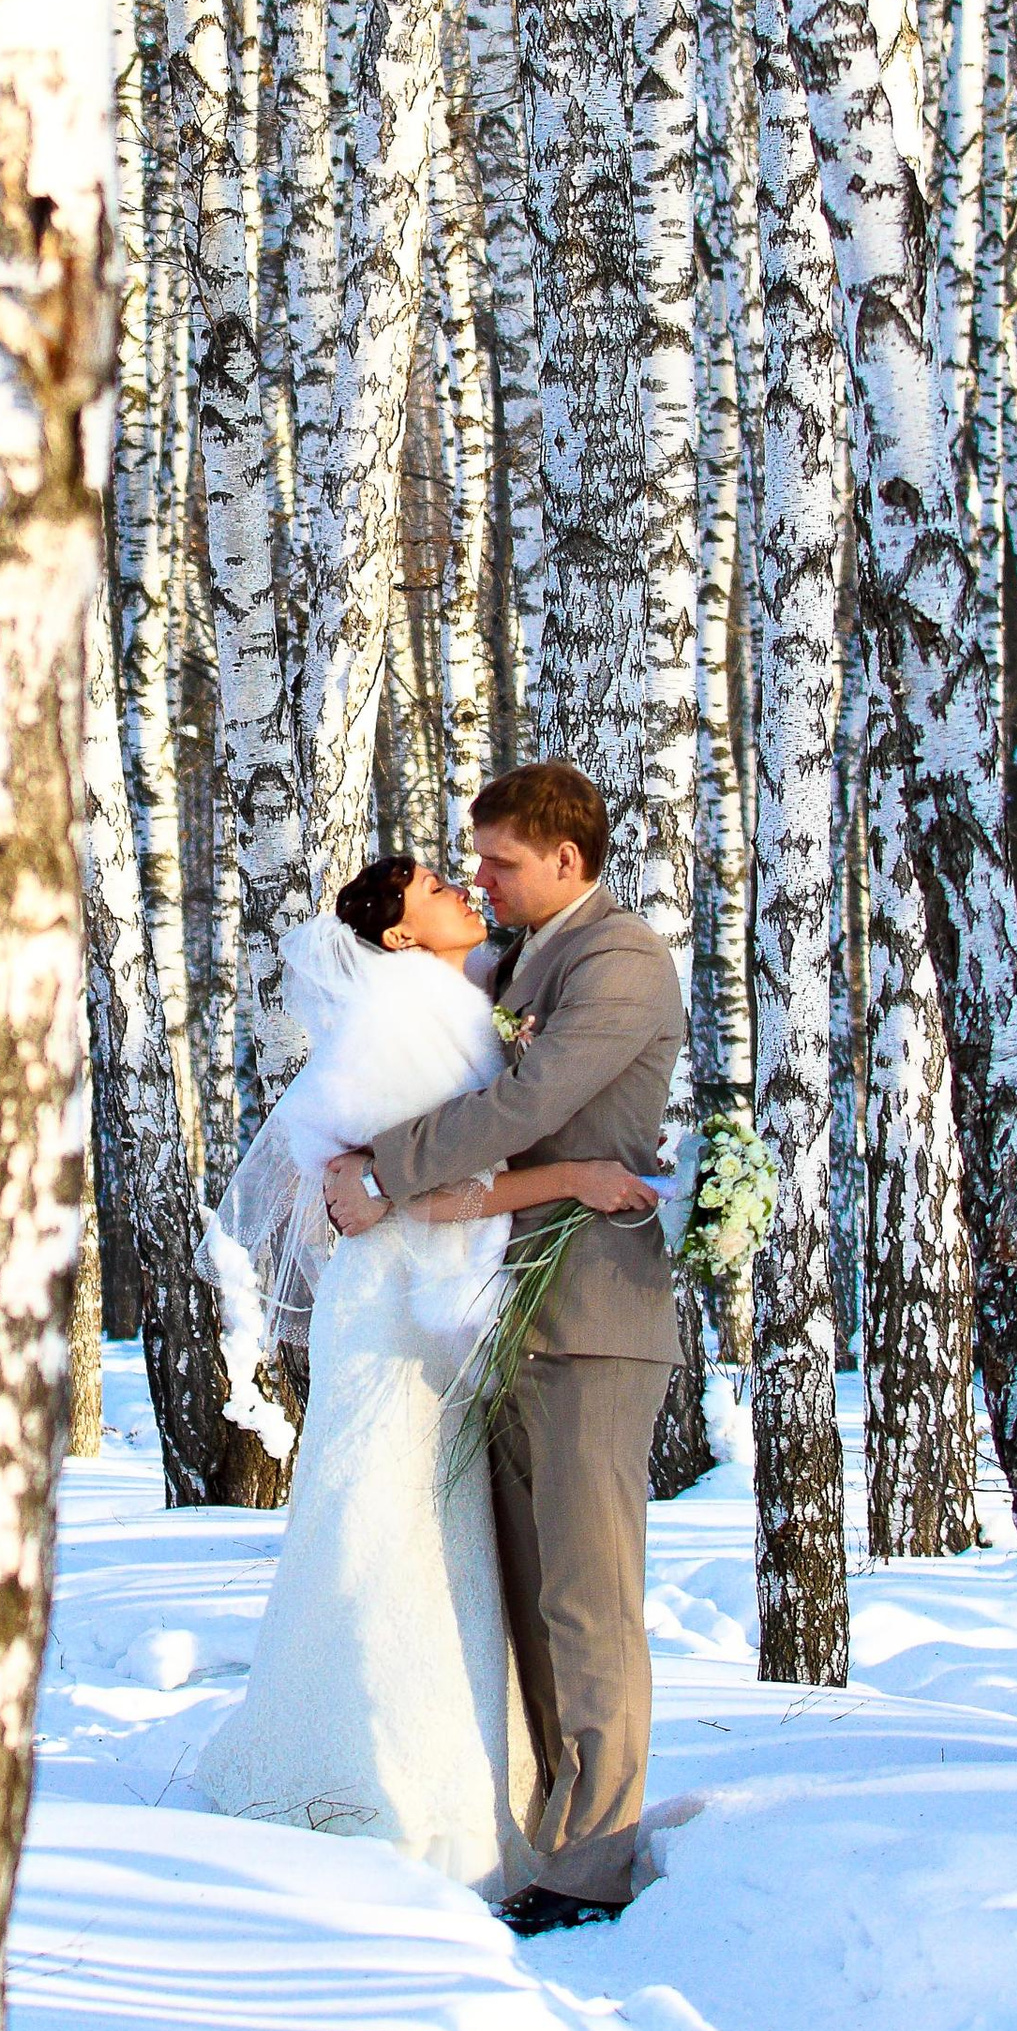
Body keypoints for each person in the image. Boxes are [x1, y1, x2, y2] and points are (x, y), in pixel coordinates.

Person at [192, 855, 655, 1896]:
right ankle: (366, 1780)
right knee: (383, 1526)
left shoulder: (464, 998)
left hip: (436, 1315)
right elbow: (418, 1194)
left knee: (445, 1544)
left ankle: (465, 1777)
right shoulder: (398, 1023)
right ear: (397, 936)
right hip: (395, 1319)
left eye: (459, 874)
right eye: (436, 887)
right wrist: (577, 1178)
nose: (459, 888)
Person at [323, 762, 682, 1938]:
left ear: (567, 862)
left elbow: (525, 1102)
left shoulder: (616, 960)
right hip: (512, 1316)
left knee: (589, 1600)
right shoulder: (529, 954)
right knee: (533, 1599)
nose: (480, 878)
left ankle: (593, 1864)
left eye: (500, 862)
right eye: (473, 861)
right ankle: (548, 1832)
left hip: (593, 1317)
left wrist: (382, 1169)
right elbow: (436, 973)